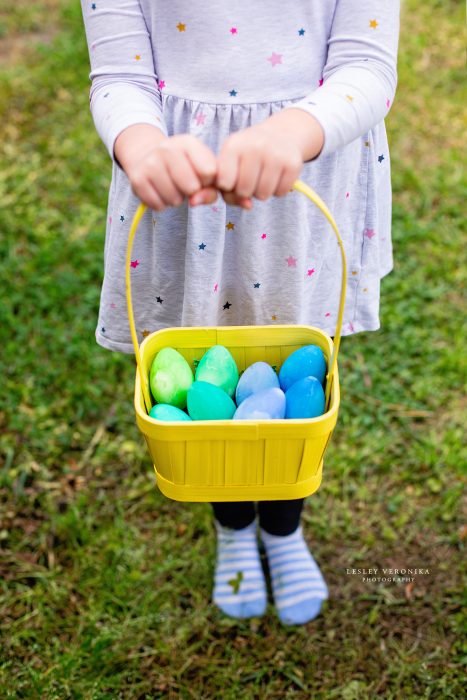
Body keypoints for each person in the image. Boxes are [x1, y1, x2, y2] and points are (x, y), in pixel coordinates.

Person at [80, 1, 400, 625]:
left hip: (303, 185)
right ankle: (232, 526)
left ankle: (282, 532)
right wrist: (143, 147)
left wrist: (292, 131)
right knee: (211, 388)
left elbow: (366, 66)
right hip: (182, 193)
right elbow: (120, 75)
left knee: (294, 385)